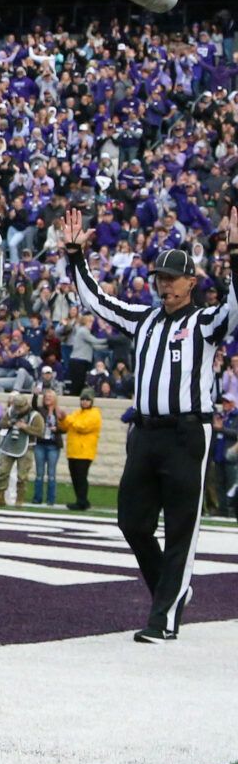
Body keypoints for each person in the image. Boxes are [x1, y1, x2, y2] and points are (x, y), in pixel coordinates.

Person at [63, 208, 238, 642]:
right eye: (160, 277)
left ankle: (164, 619)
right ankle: (173, 591)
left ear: (191, 282)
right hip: (145, 432)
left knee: (181, 526)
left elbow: (236, 306)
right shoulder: (144, 320)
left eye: (172, 278)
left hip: (186, 434)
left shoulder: (204, 322)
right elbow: (97, 301)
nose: (164, 284)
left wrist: (234, 253)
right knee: (132, 522)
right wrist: (74, 257)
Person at [60, 389, 102, 511]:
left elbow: (82, 427)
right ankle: (82, 500)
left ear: (92, 401)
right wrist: (62, 419)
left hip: (84, 452)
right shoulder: (77, 413)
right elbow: (65, 427)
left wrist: (67, 419)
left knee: (81, 477)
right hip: (73, 451)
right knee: (75, 477)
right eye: (82, 399)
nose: (84, 402)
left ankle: (81, 501)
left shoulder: (95, 414)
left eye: (87, 399)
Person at [0, 392, 39, 506]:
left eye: (20, 407)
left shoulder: (35, 415)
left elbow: (40, 431)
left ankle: (20, 499)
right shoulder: (10, 411)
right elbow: (2, 423)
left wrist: (26, 427)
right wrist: (10, 423)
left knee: (22, 475)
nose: (18, 410)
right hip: (9, 445)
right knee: (2, 471)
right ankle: (0, 496)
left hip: (26, 446)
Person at [30, 391, 62, 506]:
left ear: (54, 399)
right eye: (46, 397)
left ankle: (51, 499)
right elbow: (33, 406)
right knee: (39, 473)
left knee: (51, 473)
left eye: (50, 397)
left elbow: (64, 427)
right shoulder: (40, 410)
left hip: (53, 445)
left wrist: (57, 429)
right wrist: (35, 395)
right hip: (40, 444)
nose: (48, 398)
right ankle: (37, 498)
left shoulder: (58, 412)